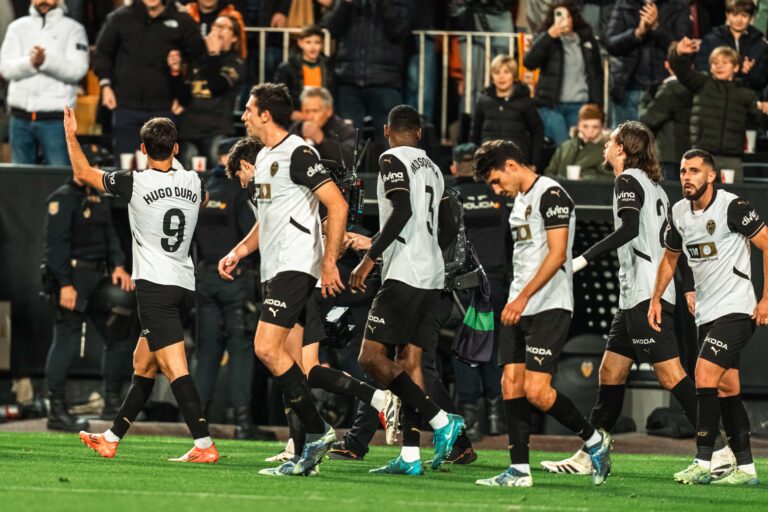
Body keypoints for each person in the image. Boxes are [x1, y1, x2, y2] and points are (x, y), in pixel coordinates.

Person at [542, 122, 735, 478]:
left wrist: (581, 260)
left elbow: (629, 229)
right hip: (639, 293)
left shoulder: (627, 180)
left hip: (647, 295)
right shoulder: (656, 188)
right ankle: (592, 452)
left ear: (623, 148)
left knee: (671, 374)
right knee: (610, 371)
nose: (604, 145)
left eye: (610, 141)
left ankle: (720, 449)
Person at [220, 136, 399, 471]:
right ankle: (360, 407)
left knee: (288, 364)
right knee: (304, 369)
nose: (242, 184)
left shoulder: (273, 176)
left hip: (297, 278)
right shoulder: (278, 181)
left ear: (245, 166)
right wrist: (240, 250)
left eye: (239, 176)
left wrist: (328, 259)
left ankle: (307, 439)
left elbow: (331, 210)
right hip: (302, 277)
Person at [70, 113, 217, 463]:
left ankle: (204, 443)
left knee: (175, 368)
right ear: (177, 148)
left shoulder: (135, 181)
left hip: (156, 287)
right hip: (184, 285)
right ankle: (110, 438)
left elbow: (82, 173)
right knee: (143, 363)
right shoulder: (194, 181)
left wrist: (71, 135)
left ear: (141, 150)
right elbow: (203, 199)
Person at [217, 83, 347, 477]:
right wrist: (239, 251)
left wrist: (329, 264)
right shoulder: (267, 158)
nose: (243, 116)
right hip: (275, 269)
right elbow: (266, 221)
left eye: (248, 109)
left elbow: (337, 204)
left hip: (296, 264)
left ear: (265, 115)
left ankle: (318, 430)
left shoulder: (298, 152)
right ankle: (303, 450)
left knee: (265, 348)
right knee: (285, 357)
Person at [471, 139, 612, 488]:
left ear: (511, 166)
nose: (496, 189)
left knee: (537, 391)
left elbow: (557, 254)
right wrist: (514, 299)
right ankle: (519, 471)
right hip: (519, 305)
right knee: (510, 384)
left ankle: (595, 441)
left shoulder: (552, 195)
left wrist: (522, 299)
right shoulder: (519, 201)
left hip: (549, 305)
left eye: (495, 180)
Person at [348, 104, 465, 475]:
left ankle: (442, 421)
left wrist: (370, 258)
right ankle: (411, 457)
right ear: (419, 132)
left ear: (386, 130)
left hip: (404, 274)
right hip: (432, 275)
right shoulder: (433, 167)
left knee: (370, 358)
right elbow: (448, 226)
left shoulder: (390, 159)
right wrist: (429, 249)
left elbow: (401, 211)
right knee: (410, 363)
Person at [650, 148, 768, 486]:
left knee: (703, 373)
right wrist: (657, 298)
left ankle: (704, 460)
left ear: (711, 176)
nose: (686, 176)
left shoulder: (732, 207)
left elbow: (767, 243)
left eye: (695, 171)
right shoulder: (678, 212)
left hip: (737, 308)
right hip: (706, 313)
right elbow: (671, 258)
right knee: (728, 386)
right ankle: (745, 469)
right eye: (684, 170)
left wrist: (766, 299)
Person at [42, 153, 133, 432]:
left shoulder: (98, 198)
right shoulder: (62, 199)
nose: (95, 172)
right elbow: (55, 248)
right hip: (72, 277)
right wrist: (65, 285)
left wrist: (118, 265)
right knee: (67, 339)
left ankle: (111, 401)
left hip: (98, 278)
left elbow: (110, 236)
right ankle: (56, 409)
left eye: (97, 167)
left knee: (118, 335)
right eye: (91, 166)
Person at [192, 138, 274, 441]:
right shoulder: (238, 190)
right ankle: (242, 421)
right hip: (235, 276)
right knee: (240, 349)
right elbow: (254, 232)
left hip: (204, 276)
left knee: (207, 350)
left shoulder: (201, 188)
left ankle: (196, 420)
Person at [94, 0, 205, 157]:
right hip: (126, 107)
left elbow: (198, 59)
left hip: (165, 109)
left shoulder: (182, 20)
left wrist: (184, 96)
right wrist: (105, 85)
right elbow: (102, 54)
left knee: (164, 172)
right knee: (126, 170)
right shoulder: (119, 18)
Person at [449, 142, 506, 441]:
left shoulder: (452, 196)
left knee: (467, 349)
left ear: (454, 167)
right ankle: (496, 415)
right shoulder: (497, 194)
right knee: (492, 346)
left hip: (467, 285)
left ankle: (470, 417)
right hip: (496, 282)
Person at [0, 0, 88, 165]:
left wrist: (45, 62)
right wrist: (31, 63)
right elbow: (5, 68)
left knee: (58, 180)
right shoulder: (17, 27)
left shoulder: (74, 29)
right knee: (20, 180)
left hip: (55, 121)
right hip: (20, 120)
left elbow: (78, 70)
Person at [669, 38, 768, 183]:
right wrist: (680, 54)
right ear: (710, 67)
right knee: (700, 200)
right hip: (702, 156)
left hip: (732, 159)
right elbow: (682, 71)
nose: (719, 66)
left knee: (733, 202)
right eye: (715, 63)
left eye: (724, 62)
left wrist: (765, 112)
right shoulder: (702, 83)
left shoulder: (745, 94)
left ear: (735, 67)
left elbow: (761, 122)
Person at [323, 0, 411, 152]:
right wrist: (346, 4)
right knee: (347, 143)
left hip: (384, 80)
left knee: (391, 143)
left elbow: (399, 29)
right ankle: (348, 176)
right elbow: (333, 28)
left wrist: (383, 4)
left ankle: (392, 175)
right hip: (349, 80)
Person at [168, 13, 245, 168]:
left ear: (234, 37)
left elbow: (216, 87)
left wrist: (214, 54)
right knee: (187, 157)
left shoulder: (235, 62)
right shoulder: (197, 59)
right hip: (190, 129)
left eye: (224, 27)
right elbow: (184, 98)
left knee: (216, 157)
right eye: (215, 26)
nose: (218, 30)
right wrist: (175, 72)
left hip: (217, 128)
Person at [523, 1, 603, 146]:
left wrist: (597, 106)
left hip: (579, 105)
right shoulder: (546, 39)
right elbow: (529, 63)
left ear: (573, 18)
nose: (562, 19)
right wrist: (549, 35)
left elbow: (597, 74)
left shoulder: (587, 40)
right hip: (551, 106)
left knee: (576, 148)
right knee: (563, 145)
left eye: (566, 15)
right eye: (558, 15)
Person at [603, 0, 691, 126]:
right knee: (623, 143)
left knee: (658, 144)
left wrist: (656, 27)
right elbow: (610, 43)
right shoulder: (624, 4)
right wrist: (637, 32)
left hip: (664, 91)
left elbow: (682, 48)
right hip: (627, 89)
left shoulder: (678, 6)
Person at [470, 55, 544, 169]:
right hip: (488, 164)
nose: (501, 77)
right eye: (497, 72)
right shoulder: (483, 101)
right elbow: (474, 135)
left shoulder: (525, 101)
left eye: (506, 72)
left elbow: (537, 132)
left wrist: (534, 163)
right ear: (492, 76)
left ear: (513, 75)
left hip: (516, 163)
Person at [694, 0, 768, 93]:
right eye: (735, 14)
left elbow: (761, 81)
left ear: (751, 18)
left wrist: (747, 73)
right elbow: (701, 71)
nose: (739, 20)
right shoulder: (711, 40)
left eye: (744, 16)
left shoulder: (760, 45)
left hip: (745, 99)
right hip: (715, 95)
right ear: (727, 15)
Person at [638, 62, 693, 180]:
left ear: (667, 65)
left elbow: (647, 119)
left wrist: (646, 98)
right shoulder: (699, 88)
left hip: (669, 155)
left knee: (668, 195)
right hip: (690, 153)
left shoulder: (669, 89)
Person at [274, 25, 334, 122]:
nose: (313, 47)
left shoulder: (329, 67)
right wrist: (291, 113)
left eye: (317, 42)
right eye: (308, 42)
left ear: (322, 44)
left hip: (323, 118)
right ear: (300, 43)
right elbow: (279, 98)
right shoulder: (287, 68)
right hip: (297, 118)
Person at [289, 87, 355, 167]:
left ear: (329, 111)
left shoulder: (344, 129)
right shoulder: (296, 128)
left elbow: (351, 161)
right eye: (306, 111)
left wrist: (321, 140)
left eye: (315, 111)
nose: (310, 116)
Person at [545, 103, 612, 180]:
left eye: (595, 127)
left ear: (602, 127)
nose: (590, 131)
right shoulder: (565, 146)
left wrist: (584, 179)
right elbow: (549, 173)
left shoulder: (606, 151)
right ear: (579, 125)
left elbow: (610, 178)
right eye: (585, 126)